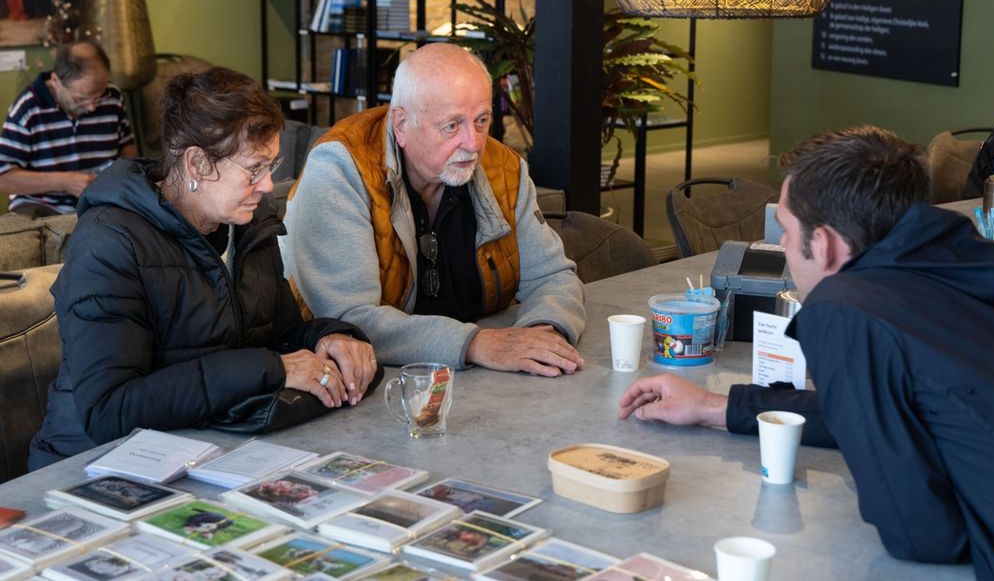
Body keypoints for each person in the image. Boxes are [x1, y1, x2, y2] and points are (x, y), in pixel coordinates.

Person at [618, 126, 994, 580]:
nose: (783, 246)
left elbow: (922, 535)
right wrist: (716, 406)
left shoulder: (846, 309)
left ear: (825, 244)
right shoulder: (966, 254)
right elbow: (884, 408)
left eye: (786, 230)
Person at [28, 67, 380, 469]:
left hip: (206, 453)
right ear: (196, 164)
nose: (267, 186)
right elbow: (111, 411)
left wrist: (329, 337)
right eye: (254, 169)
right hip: (87, 468)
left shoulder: (245, 224)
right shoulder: (109, 245)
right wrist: (271, 369)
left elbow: (278, 335)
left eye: (272, 166)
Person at [281, 43, 585, 376]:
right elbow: (350, 319)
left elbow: (552, 276)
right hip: (359, 388)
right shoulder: (340, 169)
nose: (474, 143)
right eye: (452, 125)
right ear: (401, 124)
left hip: (482, 384)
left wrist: (544, 335)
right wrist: (476, 343)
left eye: (481, 120)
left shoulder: (505, 169)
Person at [0, 40, 136, 217]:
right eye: (80, 99)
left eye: (99, 96)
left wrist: (118, 177)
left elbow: (128, 150)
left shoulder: (113, 96)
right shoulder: (28, 107)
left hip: (101, 201)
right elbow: (4, 177)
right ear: (56, 81)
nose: (92, 107)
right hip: (40, 204)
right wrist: (64, 182)